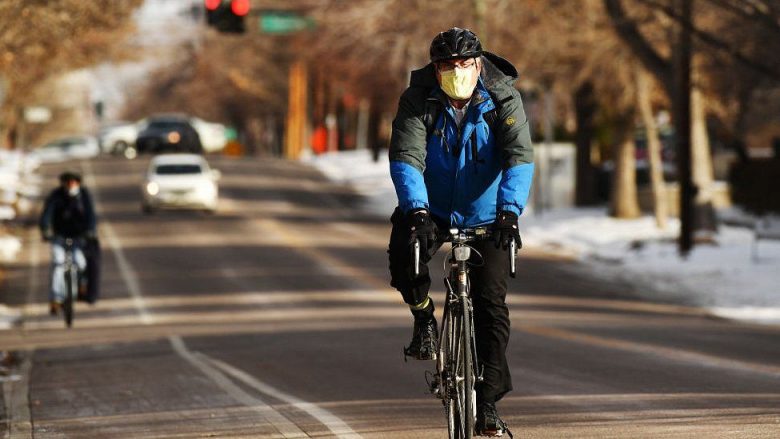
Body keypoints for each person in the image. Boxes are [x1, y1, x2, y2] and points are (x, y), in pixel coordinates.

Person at [388, 28, 534, 436]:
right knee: (405, 250)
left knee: (492, 305)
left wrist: (509, 212)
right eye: (446, 65)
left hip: (489, 215)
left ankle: (487, 404)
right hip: (431, 208)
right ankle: (423, 322)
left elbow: (519, 157)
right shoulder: (417, 100)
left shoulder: (502, 98)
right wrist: (415, 210)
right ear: (434, 69)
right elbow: (406, 157)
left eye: (463, 64)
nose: (456, 71)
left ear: (478, 63)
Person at [39, 172, 97, 315]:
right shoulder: (56, 195)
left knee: (81, 262)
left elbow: (91, 216)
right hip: (59, 237)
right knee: (58, 263)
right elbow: (47, 214)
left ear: (78, 183)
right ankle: (56, 299)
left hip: (78, 237)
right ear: (64, 183)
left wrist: (90, 231)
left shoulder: (83, 196)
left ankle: (82, 286)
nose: (71, 185)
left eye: (74, 182)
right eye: (68, 182)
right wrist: (46, 230)